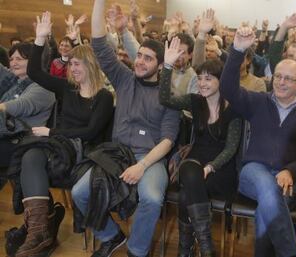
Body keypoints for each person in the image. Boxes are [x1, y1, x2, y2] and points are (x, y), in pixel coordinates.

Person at [71, 1, 180, 257]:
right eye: (139, 55)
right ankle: (111, 235)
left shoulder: (170, 97)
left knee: (152, 199)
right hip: (117, 154)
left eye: (148, 58)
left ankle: (137, 251)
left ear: (161, 65)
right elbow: (98, 41)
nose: (140, 62)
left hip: (150, 158)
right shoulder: (124, 78)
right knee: (79, 193)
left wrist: (141, 166)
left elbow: (167, 141)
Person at [10, 11, 114, 257]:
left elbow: (90, 132)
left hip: (83, 151)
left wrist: (52, 131)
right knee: (29, 155)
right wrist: (40, 39)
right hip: (58, 145)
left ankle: (40, 229)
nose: (72, 69)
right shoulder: (68, 88)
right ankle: (39, 231)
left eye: (77, 64)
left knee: (33, 152)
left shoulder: (104, 97)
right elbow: (35, 72)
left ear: (90, 65)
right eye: (71, 64)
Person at [220, 26, 296, 257]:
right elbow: (227, 88)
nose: (280, 82)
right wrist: (237, 50)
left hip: (290, 182)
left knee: (266, 211)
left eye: (288, 79)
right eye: (277, 76)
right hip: (253, 173)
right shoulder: (258, 102)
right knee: (269, 189)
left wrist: (291, 170)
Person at [159, 37, 241, 257]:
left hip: (221, 169)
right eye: (200, 78)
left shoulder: (233, 110)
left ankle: (185, 251)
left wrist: (211, 167)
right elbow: (165, 99)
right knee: (189, 171)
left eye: (209, 79)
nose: (203, 83)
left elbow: (231, 148)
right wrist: (167, 66)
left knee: (188, 192)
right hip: (195, 162)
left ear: (221, 81)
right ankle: (206, 249)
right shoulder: (196, 101)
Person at [0, 42, 55, 168]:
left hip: (22, 143)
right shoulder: (15, 82)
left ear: (34, 61)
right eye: (11, 59)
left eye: (19, 59)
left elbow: (21, 106)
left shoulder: (43, 87)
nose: (14, 63)